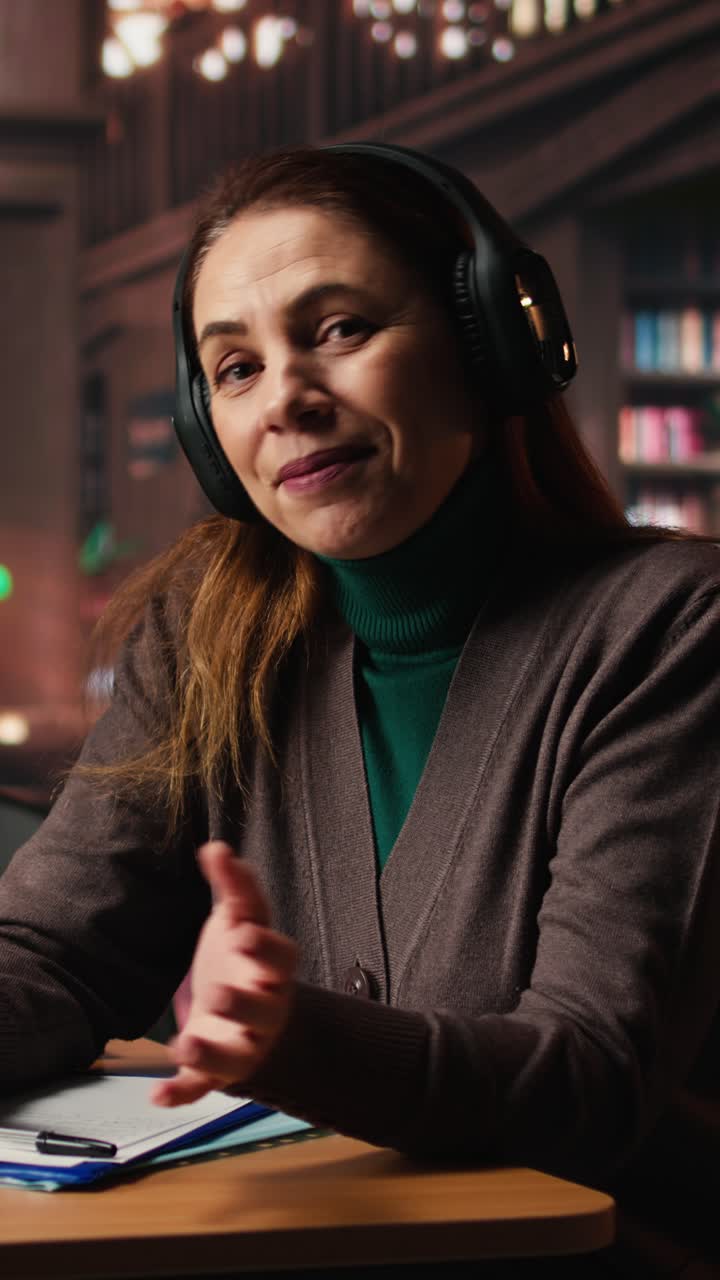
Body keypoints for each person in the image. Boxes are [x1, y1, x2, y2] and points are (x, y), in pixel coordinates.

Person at [1, 143, 719, 1276]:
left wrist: (296, 1035)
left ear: (488, 338)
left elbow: (587, 1077)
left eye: (338, 329)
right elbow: (51, 949)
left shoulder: (672, 627)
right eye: (234, 367)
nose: (285, 394)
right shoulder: (203, 621)